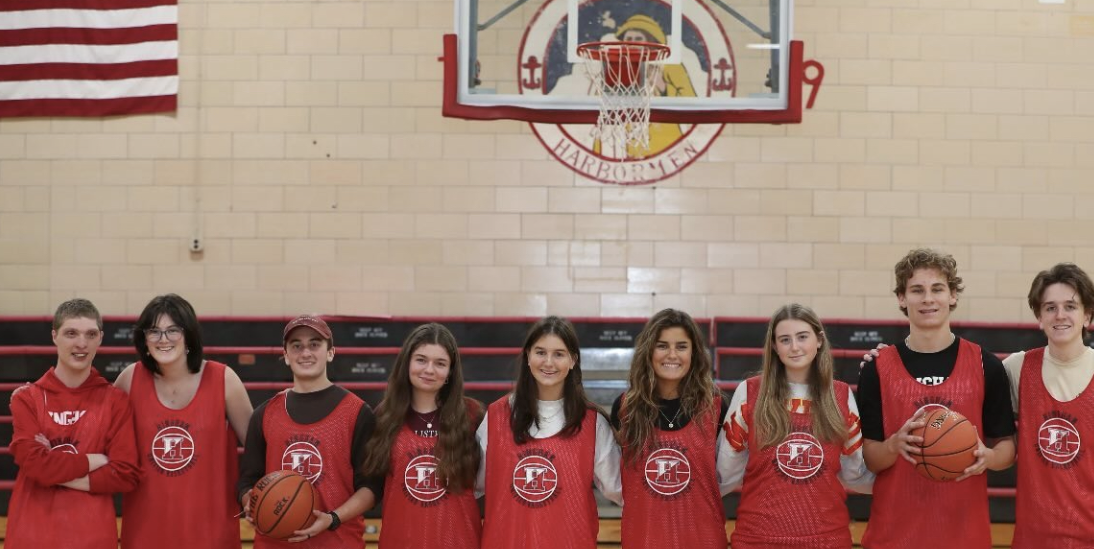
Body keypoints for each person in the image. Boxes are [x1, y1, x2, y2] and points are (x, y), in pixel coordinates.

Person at [856, 248, 1016, 549]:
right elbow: (870, 457)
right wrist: (894, 445)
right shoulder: (876, 368)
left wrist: (989, 457)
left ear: (953, 295)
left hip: (965, 536)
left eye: (937, 289)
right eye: (917, 290)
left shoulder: (987, 365)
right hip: (893, 536)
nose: (928, 298)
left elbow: (1007, 447)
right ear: (902, 298)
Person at [722, 303, 873, 549]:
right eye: (785, 339)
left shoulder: (841, 396)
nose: (794, 347)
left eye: (802, 337)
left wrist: (907, 470)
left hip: (826, 540)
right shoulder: (750, 392)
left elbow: (856, 476)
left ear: (819, 340)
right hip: (758, 540)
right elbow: (724, 474)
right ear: (774, 346)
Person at [114, 294, 253, 549]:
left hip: (210, 535)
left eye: (173, 330)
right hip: (145, 534)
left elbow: (259, 450)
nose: (163, 339)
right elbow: (101, 439)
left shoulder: (224, 379)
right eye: (154, 331)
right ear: (144, 340)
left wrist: (250, 492)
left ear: (188, 335)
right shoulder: (128, 379)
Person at [476, 316, 622, 548]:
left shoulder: (592, 423)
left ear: (573, 360)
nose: (549, 362)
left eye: (559, 354)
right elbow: (472, 486)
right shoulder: (496, 416)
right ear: (527, 356)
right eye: (540, 352)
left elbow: (620, 490)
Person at [8, 298, 141, 548]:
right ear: (54, 335)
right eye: (71, 333)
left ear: (100, 338)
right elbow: (35, 464)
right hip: (32, 535)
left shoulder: (115, 401)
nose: (82, 343)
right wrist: (96, 460)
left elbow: (125, 474)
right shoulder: (27, 398)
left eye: (90, 334)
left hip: (92, 537)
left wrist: (50, 470)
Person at [238, 315, 378, 548]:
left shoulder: (357, 412)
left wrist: (333, 518)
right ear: (285, 356)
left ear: (330, 352)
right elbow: (247, 481)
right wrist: (253, 504)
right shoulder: (264, 414)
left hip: (338, 542)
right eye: (296, 346)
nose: (305, 353)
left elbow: (372, 487)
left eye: (315, 344)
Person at [611, 308, 728, 548]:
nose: (672, 354)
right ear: (648, 351)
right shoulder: (625, 408)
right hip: (643, 539)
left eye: (682, 346)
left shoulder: (716, 406)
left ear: (694, 353)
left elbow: (724, 478)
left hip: (702, 539)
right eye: (662, 345)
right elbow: (619, 481)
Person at [361, 323, 484, 548]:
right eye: (421, 360)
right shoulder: (384, 415)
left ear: (450, 372)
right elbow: (372, 485)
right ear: (407, 363)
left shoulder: (473, 415)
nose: (429, 369)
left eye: (440, 363)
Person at [1004, 263, 1094, 548]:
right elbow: (962, 384)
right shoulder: (1017, 368)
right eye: (1050, 307)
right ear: (1039, 317)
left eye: (1070, 306)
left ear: (1088, 315)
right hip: (1033, 537)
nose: (1060, 315)